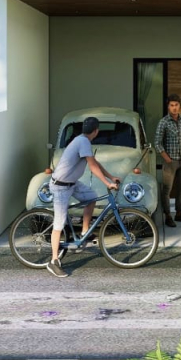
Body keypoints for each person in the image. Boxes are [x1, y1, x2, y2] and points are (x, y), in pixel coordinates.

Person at [45, 115, 120, 278]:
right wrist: (107, 184)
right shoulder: (83, 142)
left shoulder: (82, 140)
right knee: (59, 223)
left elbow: (95, 162)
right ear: (96, 131)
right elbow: (92, 167)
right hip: (60, 186)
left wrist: (111, 177)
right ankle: (54, 261)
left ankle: (85, 232)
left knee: (91, 197)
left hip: (71, 183)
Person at [154, 93, 181, 227]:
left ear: (179, 106)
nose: (174, 108)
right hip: (170, 162)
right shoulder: (163, 122)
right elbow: (157, 143)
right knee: (167, 189)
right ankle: (167, 216)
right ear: (168, 107)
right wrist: (167, 159)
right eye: (172, 105)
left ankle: (179, 213)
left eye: (176, 105)